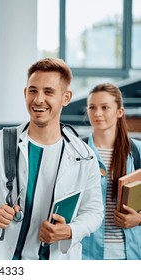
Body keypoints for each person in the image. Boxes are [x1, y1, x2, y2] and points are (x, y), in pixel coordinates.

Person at [0, 57, 104, 260]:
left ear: (66, 98)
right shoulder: (0, 141)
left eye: (48, 92)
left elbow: (94, 212)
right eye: (33, 90)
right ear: (25, 93)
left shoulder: (85, 156)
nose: (38, 99)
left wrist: (69, 231)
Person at [81, 83, 141, 260]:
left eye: (105, 107)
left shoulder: (137, 152)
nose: (97, 113)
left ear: (119, 112)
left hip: (130, 255)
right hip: (86, 255)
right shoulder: (75, 150)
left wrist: (139, 219)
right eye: (92, 107)